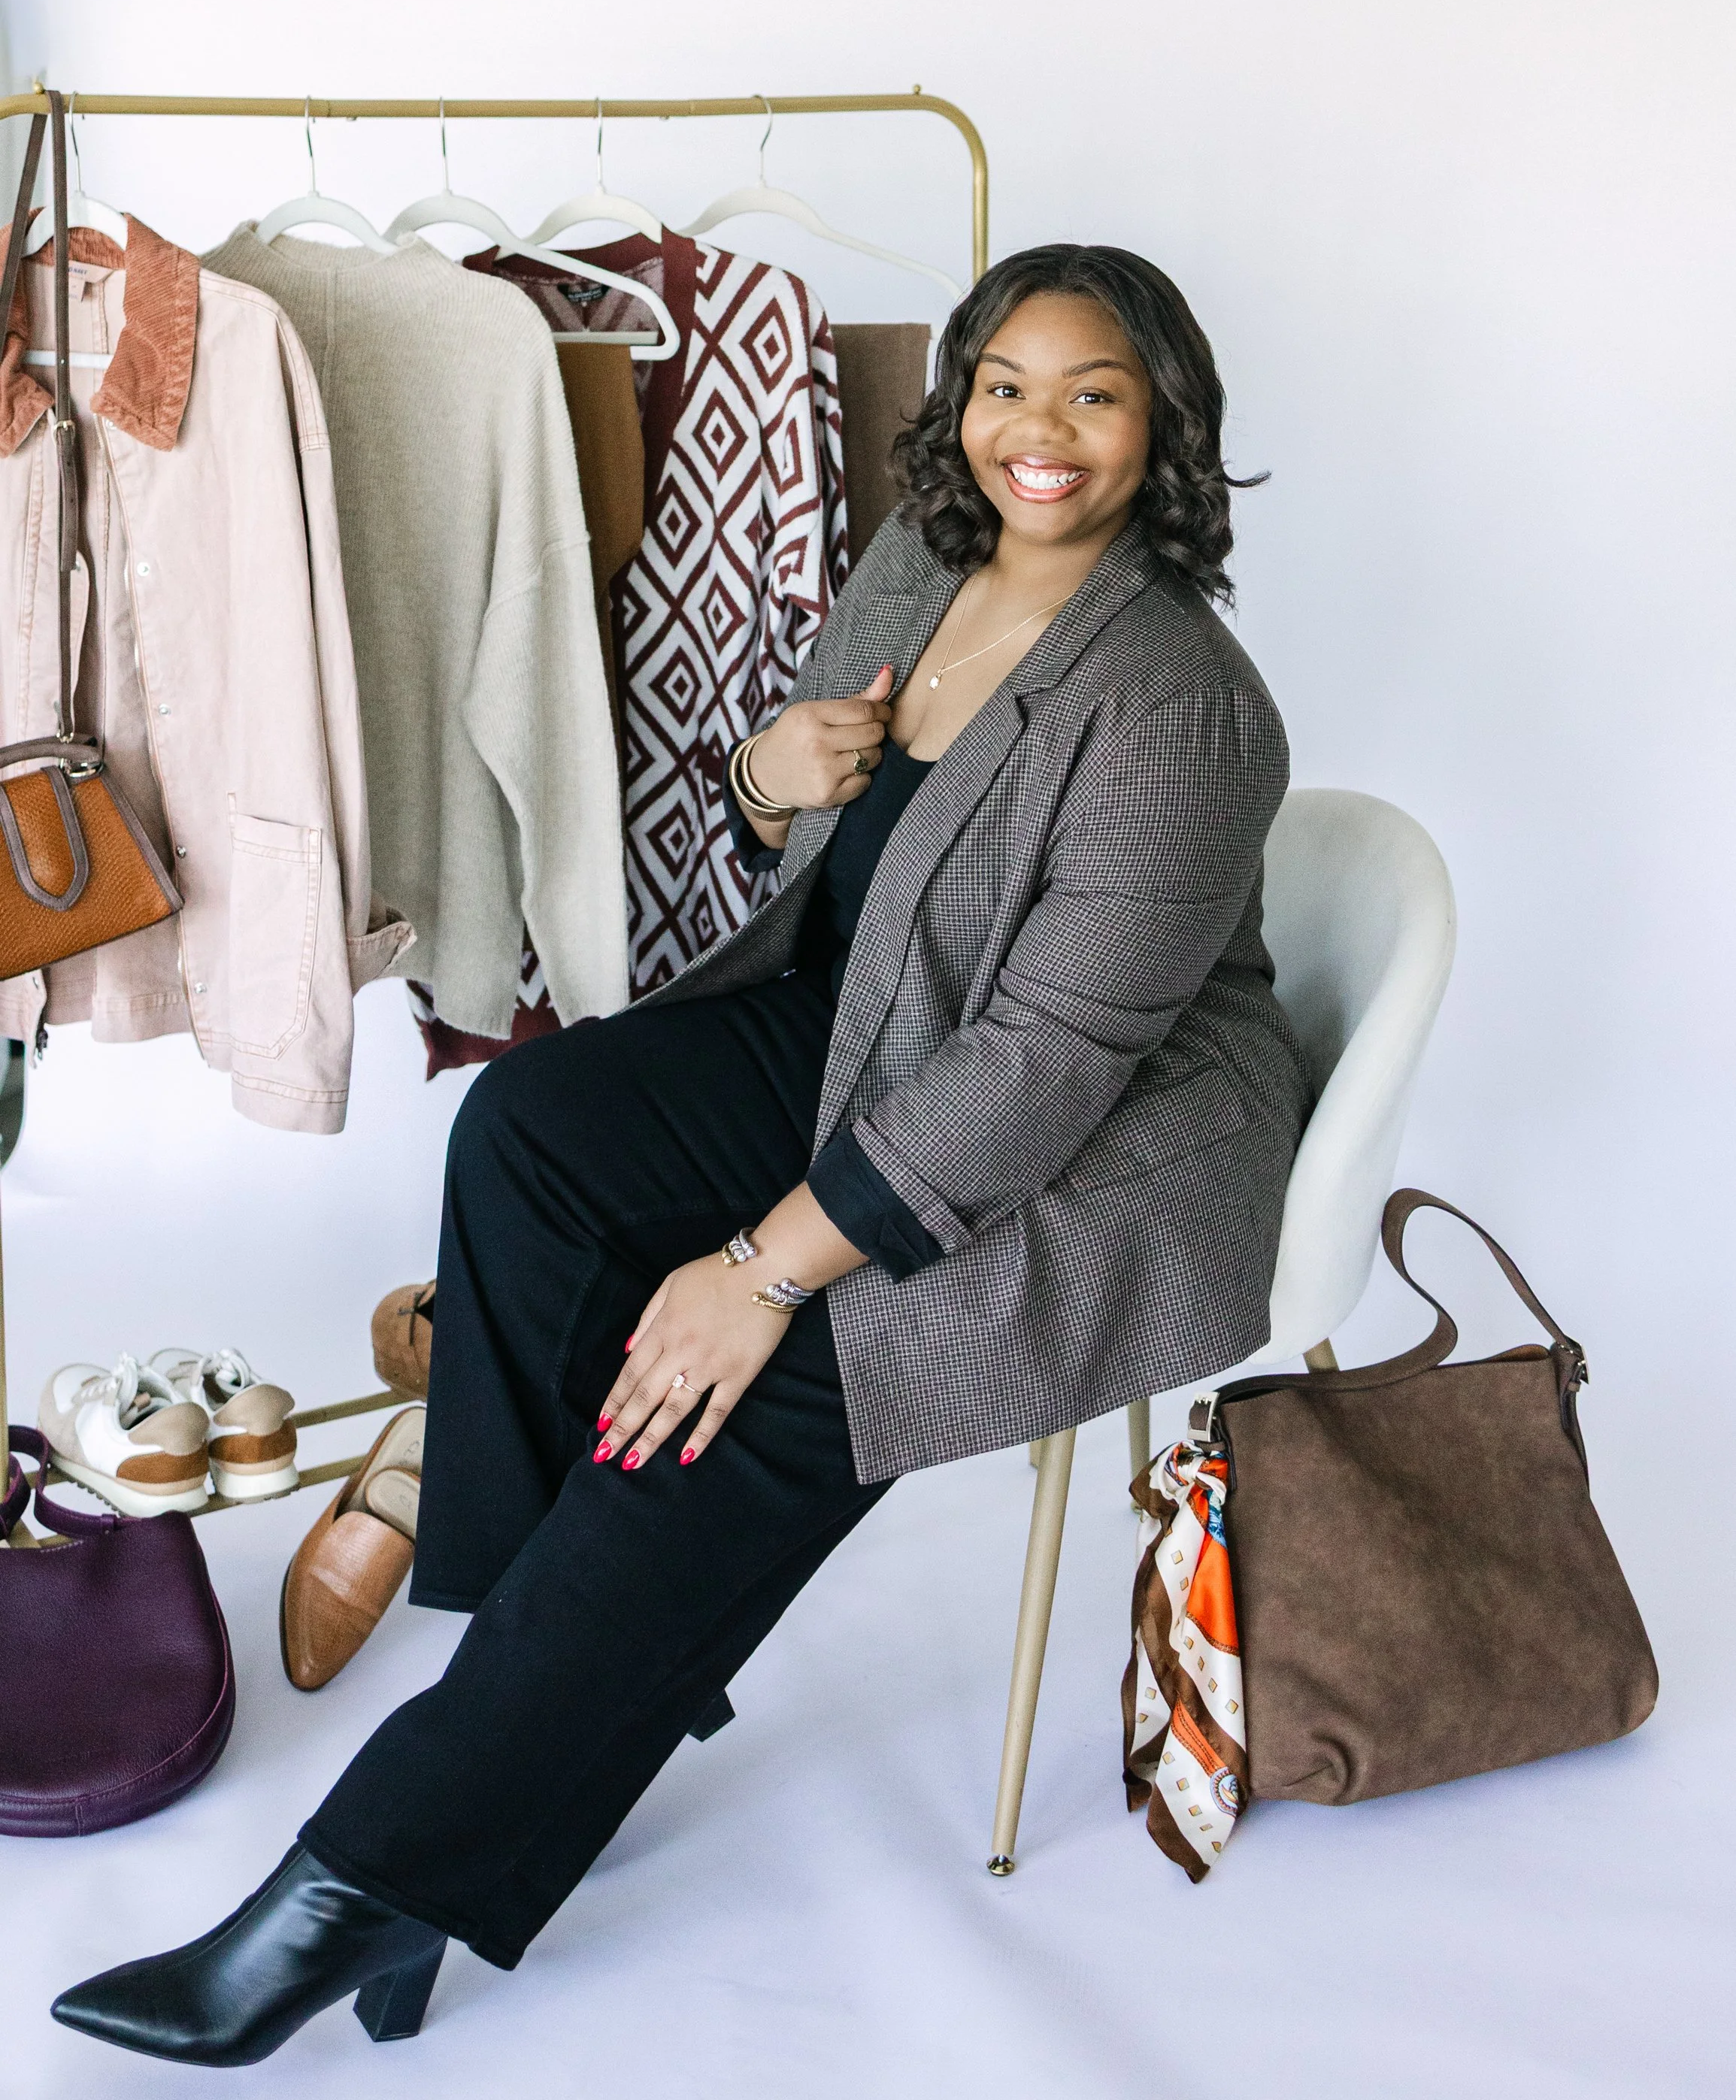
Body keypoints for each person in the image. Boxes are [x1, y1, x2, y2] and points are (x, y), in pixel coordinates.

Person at [53, 244, 1309, 2065]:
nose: (1038, 430)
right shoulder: (923, 557)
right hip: (882, 1020)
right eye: (1005, 384)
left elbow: (1044, 1063)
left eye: (1093, 393)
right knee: (527, 1137)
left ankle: (359, 1895)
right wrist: (762, 779)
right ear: (959, 400)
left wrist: (748, 1273)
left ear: (1162, 425)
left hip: (1091, 1141)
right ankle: (554, 1672)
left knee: (742, 1400)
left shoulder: (1182, 704)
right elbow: (825, 850)